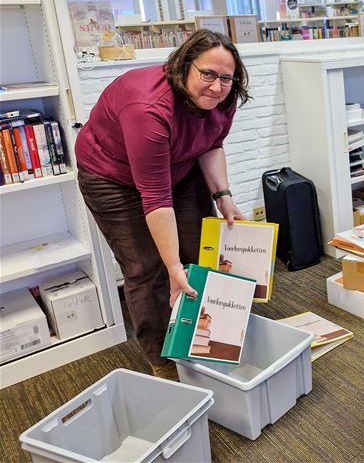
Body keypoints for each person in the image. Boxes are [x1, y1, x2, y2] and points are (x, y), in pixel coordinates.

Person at [75, 29, 250, 380]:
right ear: (183, 66)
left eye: (226, 78)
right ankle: (163, 361)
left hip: (179, 167)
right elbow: (156, 197)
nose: (217, 87)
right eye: (208, 74)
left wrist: (223, 196)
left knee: (199, 248)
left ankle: (206, 337)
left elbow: (211, 143)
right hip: (112, 178)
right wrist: (173, 266)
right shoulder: (148, 108)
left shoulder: (222, 97)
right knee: (148, 268)